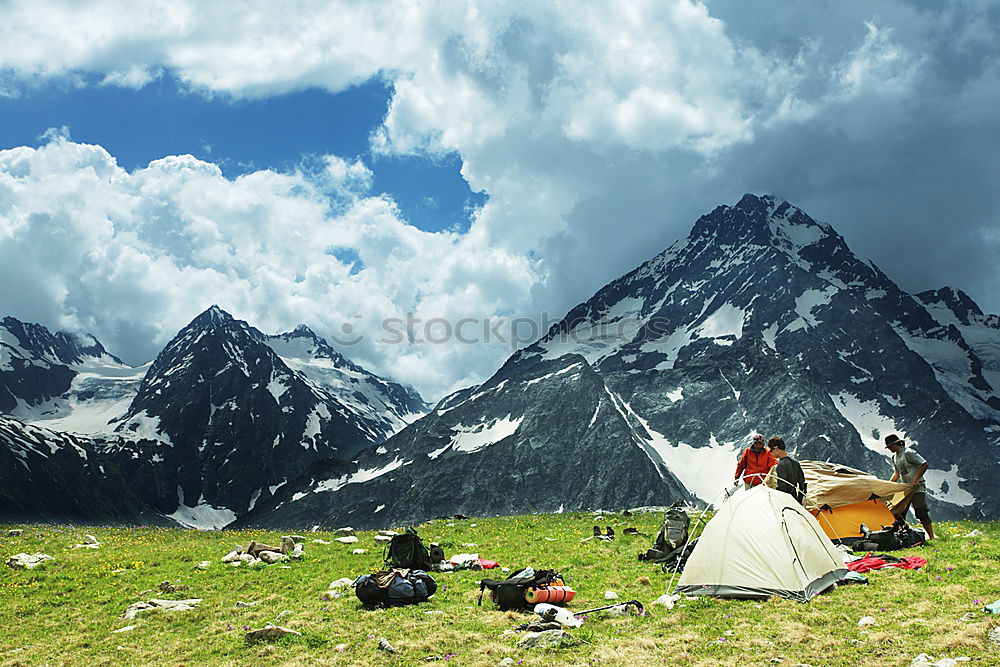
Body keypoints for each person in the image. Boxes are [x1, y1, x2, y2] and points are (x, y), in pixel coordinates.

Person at [884, 433, 934, 540]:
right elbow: (897, 473)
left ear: (894, 444)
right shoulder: (894, 457)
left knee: (921, 511)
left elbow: (924, 464)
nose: (889, 449)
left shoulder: (908, 453)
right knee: (899, 513)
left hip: (917, 487)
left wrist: (916, 479)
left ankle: (931, 536)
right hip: (906, 488)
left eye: (889, 447)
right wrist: (888, 484)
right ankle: (902, 536)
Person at [767, 436, 806, 504]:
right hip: (795, 500)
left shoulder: (780, 465)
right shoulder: (795, 462)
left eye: (771, 450)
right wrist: (799, 500)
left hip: (786, 502)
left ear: (776, 449)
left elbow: (782, 488)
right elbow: (802, 484)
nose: (771, 452)